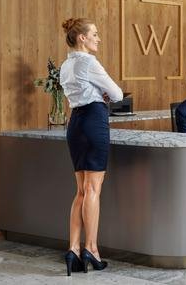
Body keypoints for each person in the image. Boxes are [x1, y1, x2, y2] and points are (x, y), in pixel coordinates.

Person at [59, 18, 123, 275]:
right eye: (95, 34)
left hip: (75, 124)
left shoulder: (65, 65)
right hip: (94, 121)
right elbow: (117, 94)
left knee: (81, 191)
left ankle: (73, 249)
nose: (98, 38)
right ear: (81, 38)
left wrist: (98, 91)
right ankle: (92, 249)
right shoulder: (89, 62)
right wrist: (104, 94)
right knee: (94, 189)